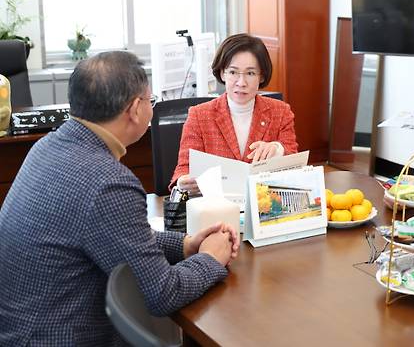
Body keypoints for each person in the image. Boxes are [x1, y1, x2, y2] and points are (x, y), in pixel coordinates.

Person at [0, 51, 239, 345]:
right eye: (150, 101)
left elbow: (114, 233)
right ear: (135, 109)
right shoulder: (108, 182)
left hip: (20, 329)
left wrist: (184, 244)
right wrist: (210, 258)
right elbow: (163, 294)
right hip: (58, 336)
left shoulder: (48, 146)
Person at [172, 33, 298, 193]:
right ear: (223, 73)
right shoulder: (199, 115)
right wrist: (183, 182)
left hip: (265, 206)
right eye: (233, 72)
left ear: (262, 76)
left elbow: (293, 158)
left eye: (250, 73)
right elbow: (184, 168)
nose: (241, 82)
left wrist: (277, 149)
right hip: (215, 208)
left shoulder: (281, 111)